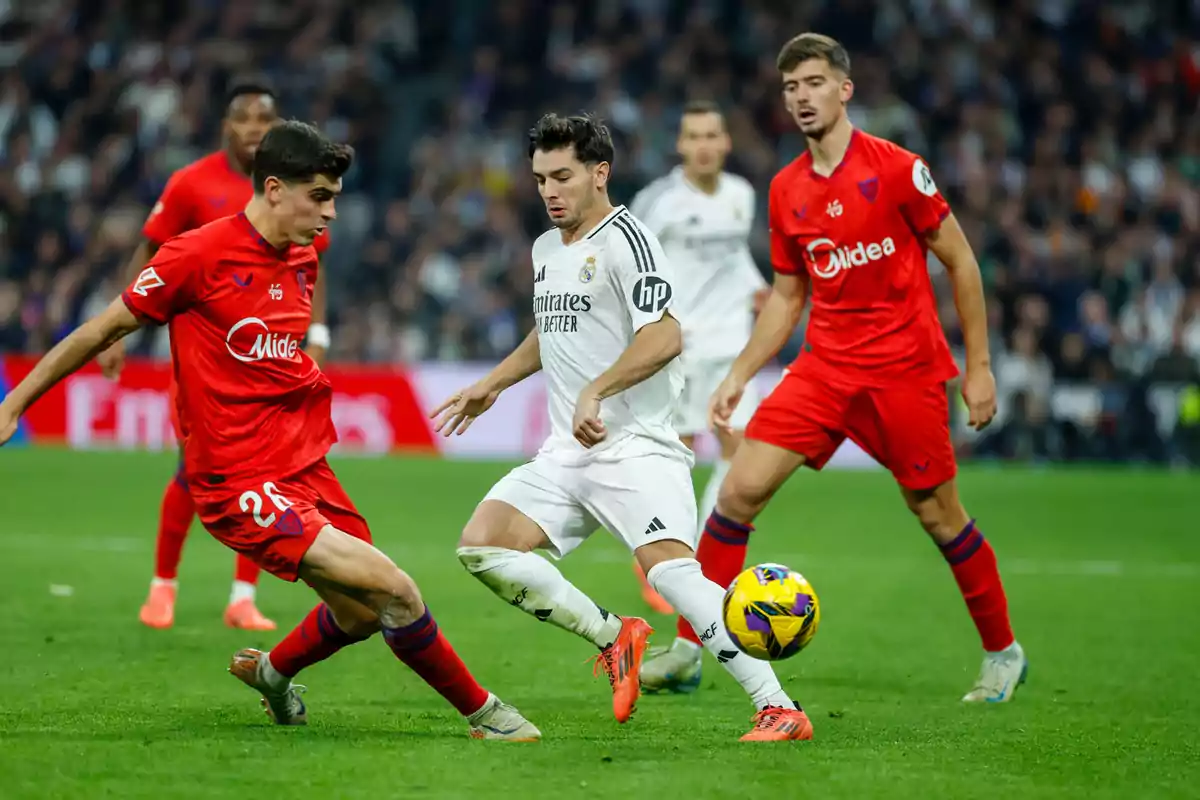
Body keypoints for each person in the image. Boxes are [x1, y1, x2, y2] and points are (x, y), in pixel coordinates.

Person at [0, 121, 537, 741]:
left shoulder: (304, 258)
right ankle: (487, 716)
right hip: (237, 479)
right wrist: (16, 402)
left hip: (303, 465)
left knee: (360, 613)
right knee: (398, 592)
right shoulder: (195, 255)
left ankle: (274, 674)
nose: (331, 213)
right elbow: (101, 329)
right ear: (275, 188)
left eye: (335, 197)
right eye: (320, 196)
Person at [640, 32, 1028, 704]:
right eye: (791, 88)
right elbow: (789, 296)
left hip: (905, 372)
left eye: (814, 83)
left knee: (938, 514)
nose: (801, 98)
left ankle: (1003, 652)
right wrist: (740, 372)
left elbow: (961, 261)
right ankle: (687, 648)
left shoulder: (900, 168)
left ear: (844, 89)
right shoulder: (787, 189)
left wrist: (980, 367)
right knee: (736, 494)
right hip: (824, 372)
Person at [432, 113, 811, 741]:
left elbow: (665, 335)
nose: (549, 191)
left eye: (562, 176)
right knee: (484, 543)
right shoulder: (546, 248)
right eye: (539, 179)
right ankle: (615, 635)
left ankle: (779, 708)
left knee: (671, 574)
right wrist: (492, 383)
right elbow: (550, 331)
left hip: (636, 447)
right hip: (568, 451)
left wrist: (596, 389)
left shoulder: (628, 238)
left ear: (599, 173)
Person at [97, 76, 334, 632]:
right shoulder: (191, 184)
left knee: (272, 474)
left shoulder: (301, 190)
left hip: (268, 355)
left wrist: (315, 336)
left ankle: (242, 596)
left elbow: (312, 261)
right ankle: (163, 586)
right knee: (194, 468)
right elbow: (151, 250)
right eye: (244, 119)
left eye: (264, 120)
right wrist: (117, 332)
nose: (254, 128)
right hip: (206, 357)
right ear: (227, 127)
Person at [626, 100, 769, 617]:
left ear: (726, 142)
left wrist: (758, 290)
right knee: (677, 458)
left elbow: (733, 259)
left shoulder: (741, 196)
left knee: (741, 454)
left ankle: (703, 564)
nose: (704, 145)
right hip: (678, 347)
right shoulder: (657, 200)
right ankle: (658, 561)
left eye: (713, 134)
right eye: (694, 136)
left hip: (733, 346)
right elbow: (628, 260)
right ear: (680, 145)